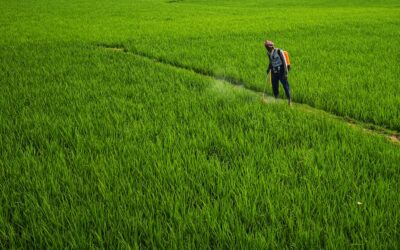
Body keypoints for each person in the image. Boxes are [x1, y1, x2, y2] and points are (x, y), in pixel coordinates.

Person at [265, 40, 291, 105]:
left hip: (282, 71)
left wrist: (286, 72)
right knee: (274, 86)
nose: (267, 48)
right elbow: (271, 62)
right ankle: (276, 99)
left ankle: (289, 101)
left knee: (285, 86)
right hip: (274, 71)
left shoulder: (279, 51)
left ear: (271, 46)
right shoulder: (268, 53)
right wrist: (268, 68)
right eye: (266, 47)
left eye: (267, 47)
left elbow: (284, 62)